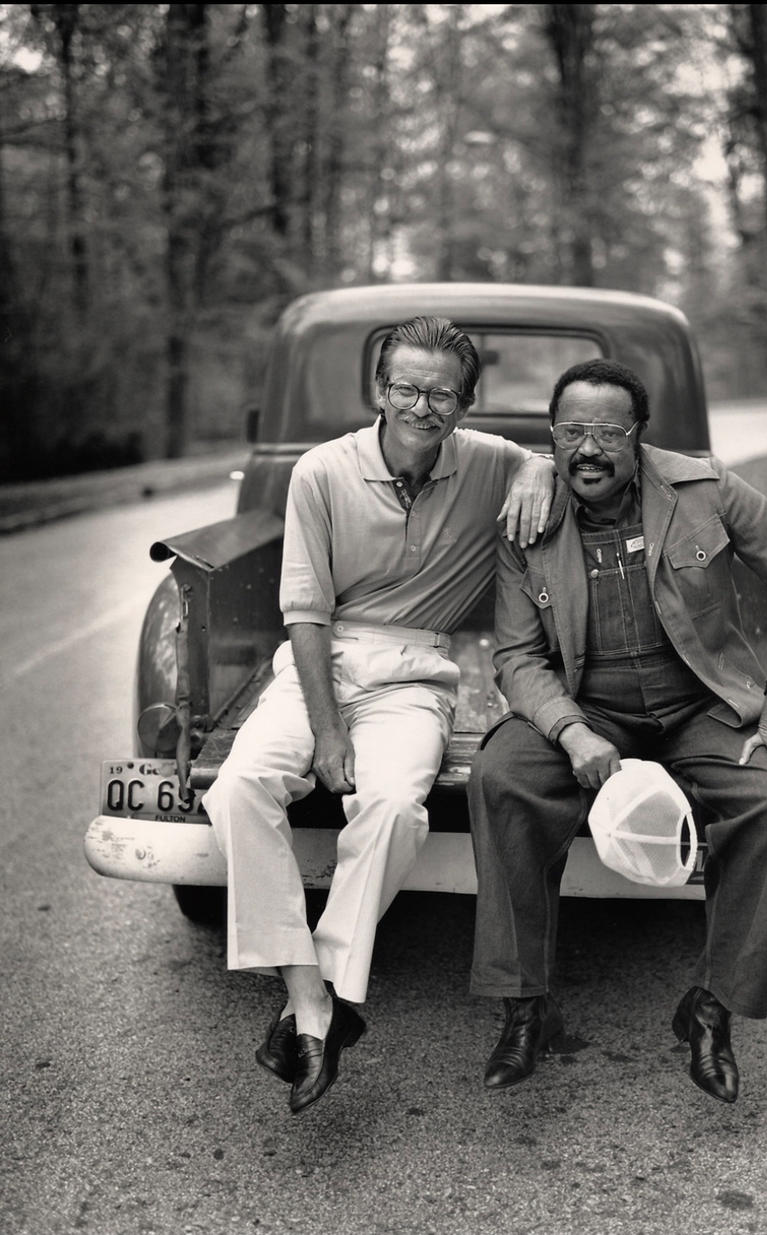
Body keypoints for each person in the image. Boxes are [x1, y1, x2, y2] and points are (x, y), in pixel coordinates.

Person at [468, 358, 767, 1104]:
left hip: (701, 706)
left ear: (638, 436)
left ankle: (710, 1006)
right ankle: (524, 1007)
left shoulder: (703, 490)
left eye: (609, 432)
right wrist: (572, 731)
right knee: (500, 776)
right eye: (573, 430)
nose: (590, 448)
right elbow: (515, 656)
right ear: (551, 436)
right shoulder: (527, 517)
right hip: (586, 707)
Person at [203, 316, 554, 1114]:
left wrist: (537, 466)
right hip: (316, 665)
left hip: (415, 671)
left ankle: (315, 995)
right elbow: (304, 611)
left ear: (468, 403)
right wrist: (327, 731)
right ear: (379, 390)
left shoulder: (492, 463)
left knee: (395, 807)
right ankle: (313, 995)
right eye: (405, 387)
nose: (421, 406)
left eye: (441, 393)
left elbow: (566, 457)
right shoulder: (322, 471)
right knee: (238, 788)